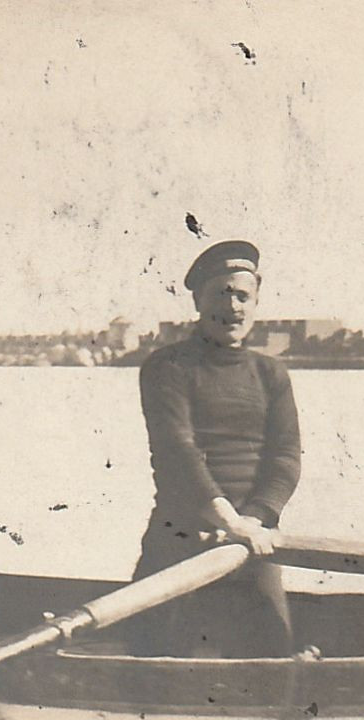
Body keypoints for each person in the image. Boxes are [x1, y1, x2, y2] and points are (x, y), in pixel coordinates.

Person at [133, 239, 301, 657]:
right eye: (221, 293)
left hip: (252, 540)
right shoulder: (167, 367)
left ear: (256, 303)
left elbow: (285, 459)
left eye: (243, 296)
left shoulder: (271, 374)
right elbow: (178, 453)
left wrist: (252, 521)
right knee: (152, 662)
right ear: (198, 300)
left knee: (275, 655)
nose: (233, 306)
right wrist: (227, 519)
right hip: (180, 537)